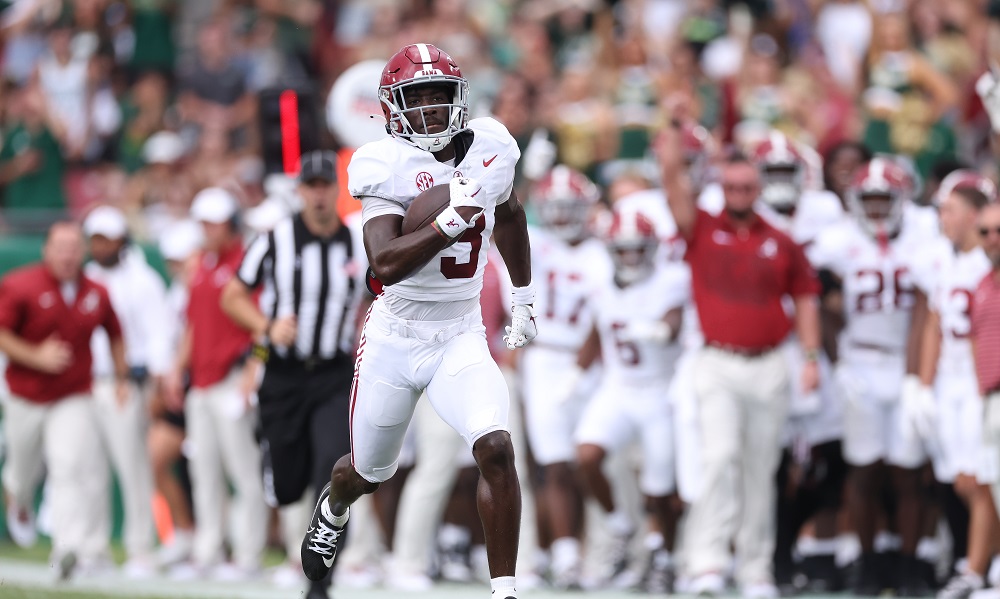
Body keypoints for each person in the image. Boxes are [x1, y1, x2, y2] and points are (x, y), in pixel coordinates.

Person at [299, 43, 533, 599]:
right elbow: (384, 264)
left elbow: (512, 214)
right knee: (365, 472)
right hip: (395, 336)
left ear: (460, 99)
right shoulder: (381, 161)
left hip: (460, 331)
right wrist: (450, 220)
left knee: (496, 447)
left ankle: (504, 591)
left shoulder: (492, 145)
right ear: (391, 107)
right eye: (416, 97)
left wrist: (523, 296)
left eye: (438, 95)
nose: (429, 109)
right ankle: (333, 507)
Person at [658, 119, 822, 598]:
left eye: (747, 186)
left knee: (760, 468)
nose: (740, 193)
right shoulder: (703, 228)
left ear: (760, 188)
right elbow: (673, 182)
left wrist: (810, 356)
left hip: (770, 362)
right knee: (720, 457)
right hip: (717, 362)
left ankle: (755, 568)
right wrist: (673, 126)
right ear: (722, 188)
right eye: (731, 186)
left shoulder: (781, 239)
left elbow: (807, 296)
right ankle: (708, 560)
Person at [221, 150, 369, 599]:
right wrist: (266, 328)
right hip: (283, 374)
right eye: (313, 185)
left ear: (336, 190)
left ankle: (321, 581)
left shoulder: (358, 244)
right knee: (287, 485)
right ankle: (287, 508)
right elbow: (232, 296)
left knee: (334, 472)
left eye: (327, 185)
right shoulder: (275, 239)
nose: (320, 194)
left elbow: (375, 299)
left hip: (332, 374)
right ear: (300, 190)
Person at [808, 157, 931, 596]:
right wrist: (837, 360)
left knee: (909, 471)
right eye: (870, 200)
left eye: (885, 199)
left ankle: (911, 564)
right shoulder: (837, 241)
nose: (877, 209)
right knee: (863, 470)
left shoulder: (923, 233)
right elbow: (818, 302)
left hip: (904, 361)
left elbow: (925, 308)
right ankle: (865, 560)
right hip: (860, 359)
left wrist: (919, 375)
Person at [0, 221, 128, 579]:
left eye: (74, 247)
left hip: (72, 394)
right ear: (46, 250)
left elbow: (115, 333)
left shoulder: (97, 291)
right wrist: (34, 355)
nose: (68, 255)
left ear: (83, 251)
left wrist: (121, 376)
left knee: (70, 465)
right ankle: (19, 500)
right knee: (22, 472)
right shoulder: (20, 285)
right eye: (61, 247)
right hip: (26, 395)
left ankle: (66, 549)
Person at [574, 208, 687, 593]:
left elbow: (674, 320)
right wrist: (577, 373)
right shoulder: (602, 284)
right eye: (623, 251)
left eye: (637, 250)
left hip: (660, 392)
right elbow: (597, 329)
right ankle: (621, 527)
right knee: (587, 454)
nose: (630, 258)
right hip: (618, 388)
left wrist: (661, 330)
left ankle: (664, 556)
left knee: (660, 488)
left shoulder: (671, 281)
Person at [163, 187, 267, 578]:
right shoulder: (202, 264)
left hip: (232, 378)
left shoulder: (247, 261)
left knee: (243, 470)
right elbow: (193, 323)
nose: (207, 229)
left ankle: (248, 556)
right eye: (203, 222)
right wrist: (177, 369)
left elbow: (263, 325)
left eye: (214, 223)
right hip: (202, 382)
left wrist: (252, 375)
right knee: (203, 471)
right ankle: (208, 552)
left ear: (230, 224)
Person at [518, 165, 610, 590]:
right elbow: (504, 212)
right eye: (552, 207)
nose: (559, 216)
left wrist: (582, 367)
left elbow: (606, 317)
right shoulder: (534, 242)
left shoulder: (601, 253)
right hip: (542, 358)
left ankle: (600, 552)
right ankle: (566, 554)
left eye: (567, 207)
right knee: (553, 463)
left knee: (589, 462)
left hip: (589, 362)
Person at [915, 183, 997, 599]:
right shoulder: (941, 260)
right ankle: (978, 562)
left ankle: (976, 566)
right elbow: (933, 324)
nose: (942, 218)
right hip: (951, 381)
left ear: (972, 216)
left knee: (977, 479)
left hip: (979, 381)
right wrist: (922, 384)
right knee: (957, 478)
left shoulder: (988, 265)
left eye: (949, 210)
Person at [83, 205, 173, 577]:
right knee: (89, 469)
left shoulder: (142, 280)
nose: (101, 245)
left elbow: (160, 337)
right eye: (96, 238)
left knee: (133, 468)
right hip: (86, 383)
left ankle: (140, 549)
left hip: (126, 384)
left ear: (121, 240)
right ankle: (93, 548)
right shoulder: (85, 277)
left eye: (107, 238)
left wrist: (153, 385)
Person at [961, 201, 1000, 598]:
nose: (992, 239)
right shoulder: (983, 284)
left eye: (999, 231)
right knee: (996, 484)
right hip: (991, 396)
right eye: (985, 231)